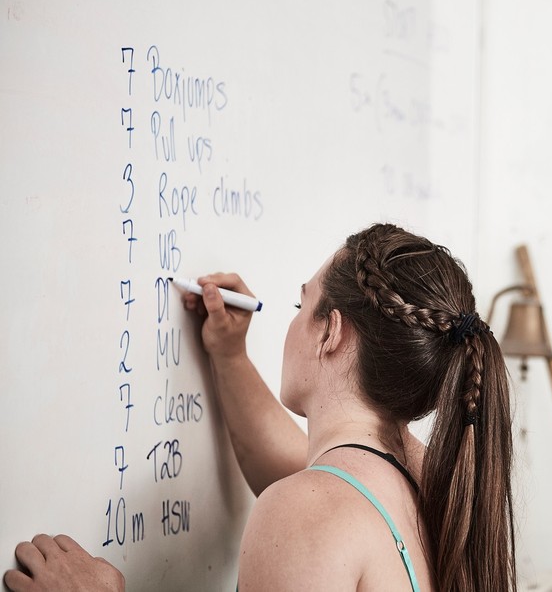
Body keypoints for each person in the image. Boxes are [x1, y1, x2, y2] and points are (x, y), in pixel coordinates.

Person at [4, 223, 516, 592]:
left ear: (331, 332)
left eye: (302, 305)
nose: (291, 322)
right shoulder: (431, 476)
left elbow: (307, 502)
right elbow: (293, 464)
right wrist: (228, 355)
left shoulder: (309, 510)